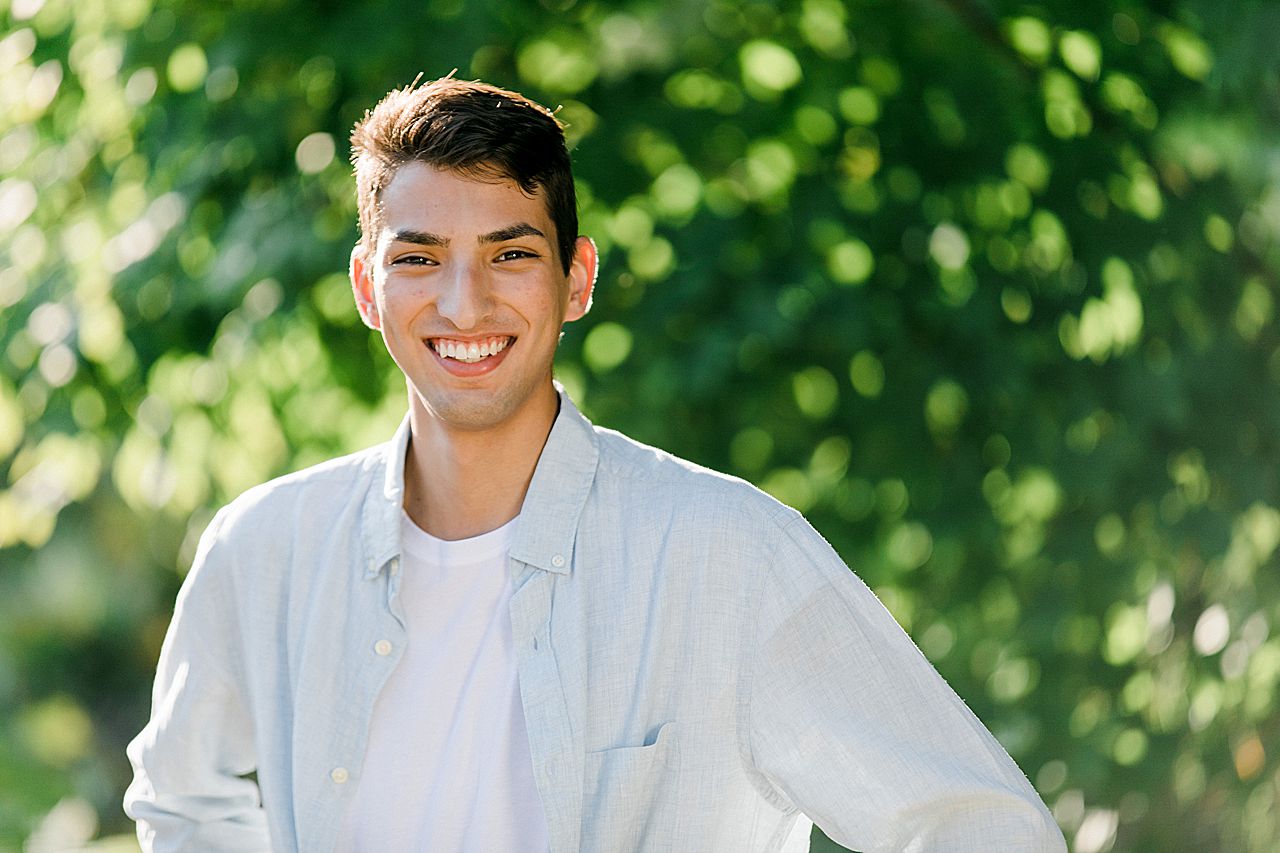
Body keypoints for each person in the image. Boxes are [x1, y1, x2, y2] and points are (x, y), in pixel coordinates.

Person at [124, 75, 1067, 853]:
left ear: (575, 278)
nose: (464, 302)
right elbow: (182, 806)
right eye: (419, 259)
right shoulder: (267, 548)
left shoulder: (724, 555)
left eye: (510, 252)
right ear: (369, 287)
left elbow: (984, 829)